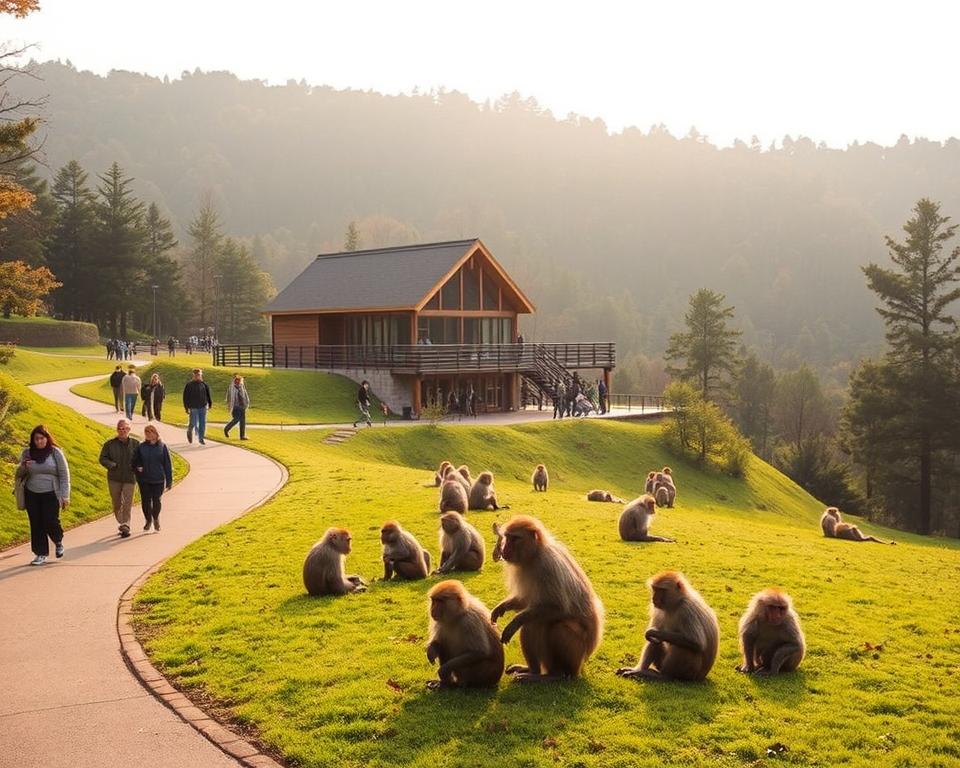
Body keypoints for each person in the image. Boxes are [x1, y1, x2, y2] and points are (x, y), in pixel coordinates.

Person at [18, 425, 70, 565]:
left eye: (42, 438)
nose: (39, 441)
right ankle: (40, 553)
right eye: (36, 439)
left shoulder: (55, 452)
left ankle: (58, 541)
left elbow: (64, 475)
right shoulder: (27, 453)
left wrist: (65, 495)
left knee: (50, 521)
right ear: (33, 440)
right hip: (32, 493)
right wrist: (23, 466)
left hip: (51, 493)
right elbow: (19, 474)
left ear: (47, 439)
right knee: (36, 523)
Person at [99, 419, 139, 538]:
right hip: (114, 478)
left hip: (130, 477)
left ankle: (126, 524)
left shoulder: (136, 444)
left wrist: (138, 467)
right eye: (120, 428)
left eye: (125, 428)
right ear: (117, 430)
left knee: (127, 502)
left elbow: (141, 459)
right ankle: (122, 522)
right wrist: (112, 465)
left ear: (129, 430)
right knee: (116, 503)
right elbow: (102, 458)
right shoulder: (109, 444)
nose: (122, 431)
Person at [133, 424, 172, 531]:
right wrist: (138, 467)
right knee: (145, 501)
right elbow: (135, 461)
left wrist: (169, 481)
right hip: (144, 479)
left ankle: (155, 518)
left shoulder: (162, 446)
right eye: (146, 432)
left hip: (158, 479)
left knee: (156, 501)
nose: (148, 434)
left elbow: (167, 464)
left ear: (156, 433)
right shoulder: (141, 447)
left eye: (150, 432)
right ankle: (148, 520)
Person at [183, 368, 213, 444]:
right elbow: (185, 397)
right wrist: (186, 408)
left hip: (203, 406)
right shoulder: (189, 385)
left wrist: (210, 403)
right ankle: (189, 431)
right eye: (196, 375)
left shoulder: (204, 384)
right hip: (193, 407)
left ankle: (201, 438)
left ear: (201, 375)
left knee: (202, 423)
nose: (197, 376)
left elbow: (208, 395)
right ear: (193, 375)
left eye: (199, 375)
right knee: (193, 423)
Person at [224, 373, 250, 440]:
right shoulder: (231, 387)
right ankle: (226, 428)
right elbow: (228, 396)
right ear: (234, 380)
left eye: (239, 380)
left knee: (243, 421)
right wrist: (229, 404)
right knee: (237, 419)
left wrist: (247, 403)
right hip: (235, 406)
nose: (238, 381)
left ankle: (242, 436)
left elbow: (245, 395)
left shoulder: (241, 386)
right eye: (236, 380)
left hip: (242, 406)